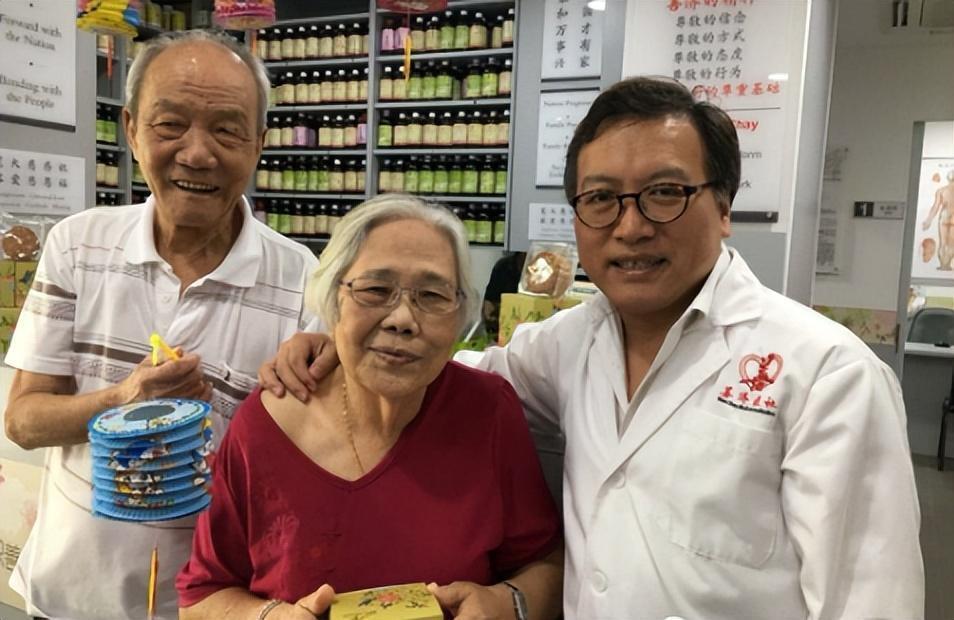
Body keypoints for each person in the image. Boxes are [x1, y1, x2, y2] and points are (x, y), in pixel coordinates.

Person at [261, 77, 924, 619]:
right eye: (601, 199)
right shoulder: (569, 343)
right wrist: (340, 342)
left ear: (723, 207)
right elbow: (448, 367)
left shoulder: (826, 372)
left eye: (664, 193)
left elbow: (871, 601)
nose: (631, 226)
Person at [3, 30, 319, 620]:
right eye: (170, 124)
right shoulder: (77, 245)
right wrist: (125, 398)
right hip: (71, 595)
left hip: (216, 604)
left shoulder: (303, 280)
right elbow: (23, 421)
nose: (197, 154)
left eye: (227, 130)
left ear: (258, 143)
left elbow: (309, 463)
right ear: (131, 129)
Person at [177, 194, 563, 620]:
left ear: (459, 315)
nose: (403, 319)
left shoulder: (487, 413)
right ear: (333, 301)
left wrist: (507, 603)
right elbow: (201, 597)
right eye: (376, 290)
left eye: (432, 295)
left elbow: (549, 566)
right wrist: (270, 617)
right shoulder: (266, 426)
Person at [922, 168, 954, 270]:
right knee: (951, 244)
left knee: (943, 243)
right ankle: (947, 265)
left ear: (948, 178)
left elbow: (935, 207)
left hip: (944, 217)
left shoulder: (941, 190)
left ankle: (943, 265)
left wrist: (928, 221)